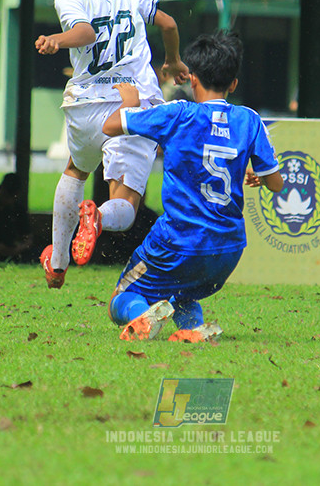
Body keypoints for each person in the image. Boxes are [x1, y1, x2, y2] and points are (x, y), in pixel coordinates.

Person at [27, 0, 189, 289]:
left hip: (86, 105)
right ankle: (97, 219)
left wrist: (56, 39)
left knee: (75, 170)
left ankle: (57, 262)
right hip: (133, 105)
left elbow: (85, 33)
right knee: (126, 204)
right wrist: (174, 61)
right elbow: (168, 22)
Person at [101, 31, 284, 342]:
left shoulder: (179, 113)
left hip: (177, 242)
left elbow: (110, 127)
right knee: (181, 289)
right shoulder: (250, 120)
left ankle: (140, 319)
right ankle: (192, 328)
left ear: (193, 79)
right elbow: (276, 184)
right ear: (234, 84)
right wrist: (254, 175)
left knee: (120, 300)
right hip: (227, 251)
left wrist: (130, 103)